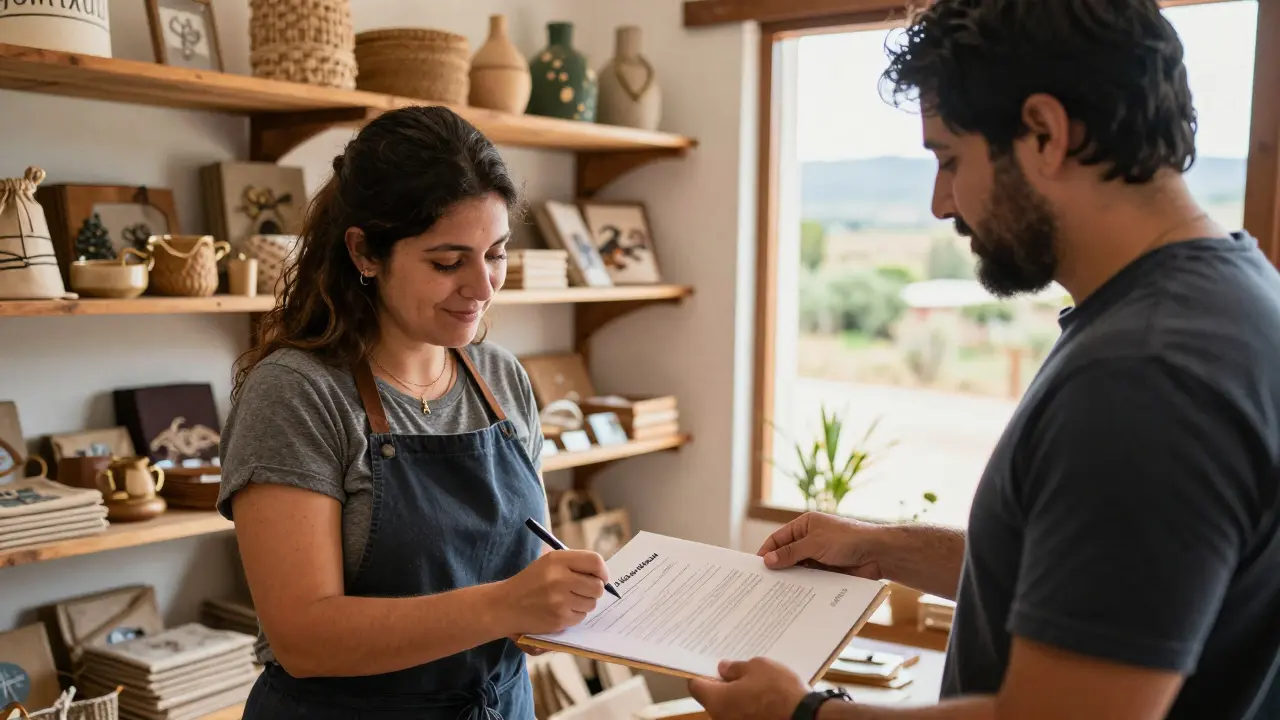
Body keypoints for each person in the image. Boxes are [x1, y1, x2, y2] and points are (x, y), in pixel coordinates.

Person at [689, 0, 1280, 719]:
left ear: (1045, 132)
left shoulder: (1145, 376)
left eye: (949, 159)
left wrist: (803, 715)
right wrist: (887, 550)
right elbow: (1105, 586)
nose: (942, 203)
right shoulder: (1229, 300)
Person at [216, 105, 610, 720]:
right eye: (448, 262)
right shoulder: (297, 394)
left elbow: (522, 575)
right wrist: (508, 605)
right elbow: (302, 637)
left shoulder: (500, 377)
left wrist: (560, 599)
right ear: (365, 252)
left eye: (497, 254)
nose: (483, 287)